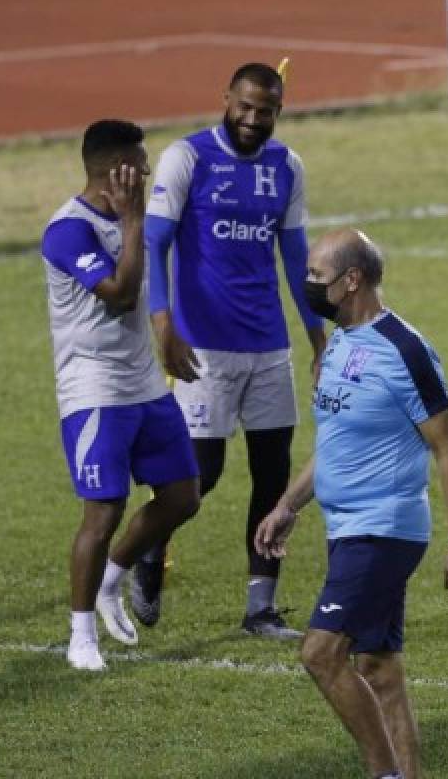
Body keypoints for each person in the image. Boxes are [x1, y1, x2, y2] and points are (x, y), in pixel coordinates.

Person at [254, 228, 448, 779]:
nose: (306, 285)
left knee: (320, 653)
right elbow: (335, 444)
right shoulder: (337, 344)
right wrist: (289, 504)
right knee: (377, 666)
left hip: (384, 529)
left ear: (351, 280)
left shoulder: (405, 350)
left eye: (315, 276)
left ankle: (383, 774)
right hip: (346, 527)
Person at [141, 62, 327, 637]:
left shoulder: (286, 167)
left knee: (274, 478)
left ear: (279, 108)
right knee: (200, 479)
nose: (252, 119)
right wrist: (164, 326)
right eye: (244, 107)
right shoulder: (188, 158)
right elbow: (154, 243)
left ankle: (260, 608)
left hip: (269, 348)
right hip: (204, 351)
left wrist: (320, 340)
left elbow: (298, 261)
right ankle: (148, 551)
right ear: (226, 98)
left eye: (264, 110)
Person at [41, 120, 201, 670]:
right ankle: (80, 636)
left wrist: (166, 335)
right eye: (142, 166)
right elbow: (119, 292)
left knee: (182, 497)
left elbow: (147, 292)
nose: (150, 175)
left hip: (143, 383)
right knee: (103, 509)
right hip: (94, 389)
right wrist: (134, 222)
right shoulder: (67, 232)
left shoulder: (128, 222)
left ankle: (112, 578)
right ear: (118, 173)